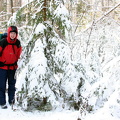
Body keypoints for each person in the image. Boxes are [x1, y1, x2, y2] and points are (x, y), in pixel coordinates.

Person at [0, 26, 22, 109]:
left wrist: (16, 62)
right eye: (11, 33)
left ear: (16, 34)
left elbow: (18, 54)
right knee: (1, 85)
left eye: (14, 33)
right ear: (9, 33)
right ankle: (2, 102)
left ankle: (11, 101)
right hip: (2, 67)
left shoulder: (17, 43)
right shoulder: (3, 42)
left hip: (13, 68)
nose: (13, 35)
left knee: (12, 85)